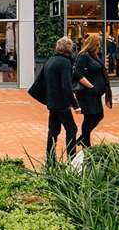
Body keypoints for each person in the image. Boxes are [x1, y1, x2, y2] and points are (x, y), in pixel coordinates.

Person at [29, 36, 79, 164]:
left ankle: (50, 161)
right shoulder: (65, 62)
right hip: (62, 103)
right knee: (71, 129)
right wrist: (76, 105)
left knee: (53, 131)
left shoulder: (50, 60)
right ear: (68, 48)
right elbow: (66, 86)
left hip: (52, 102)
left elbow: (42, 81)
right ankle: (72, 160)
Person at [72, 33, 112, 166]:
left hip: (94, 94)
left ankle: (84, 139)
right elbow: (77, 73)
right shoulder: (83, 56)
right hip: (87, 93)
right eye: (98, 44)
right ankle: (85, 142)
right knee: (91, 116)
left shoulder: (94, 56)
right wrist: (92, 86)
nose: (100, 46)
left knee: (97, 116)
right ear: (93, 44)